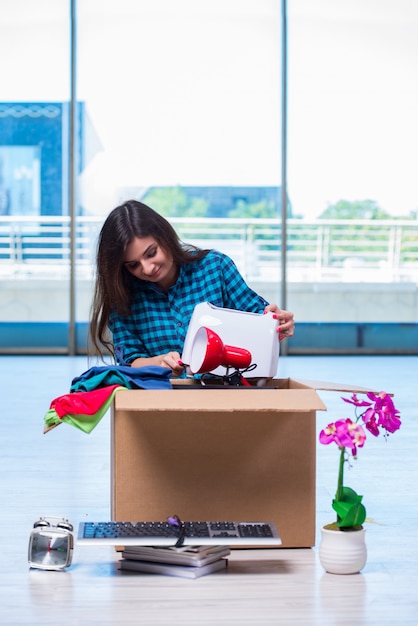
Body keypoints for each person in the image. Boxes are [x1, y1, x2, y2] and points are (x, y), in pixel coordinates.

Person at [89, 200, 295, 377]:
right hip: (161, 401)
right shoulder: (124, 295)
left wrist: (278, 324)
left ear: (165, 236)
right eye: (133, 265)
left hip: (227, 395)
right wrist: (159, 362)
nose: (147, 268)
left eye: (151, 253)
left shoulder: (216, 267)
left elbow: (258, 318)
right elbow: (129, 363)